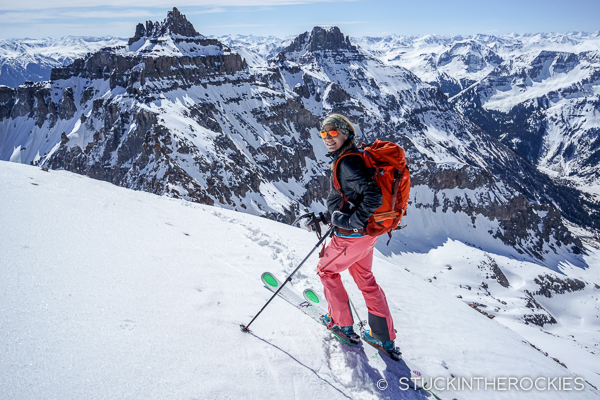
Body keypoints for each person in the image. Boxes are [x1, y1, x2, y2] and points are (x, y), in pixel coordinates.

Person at [315, 113, 401, 360]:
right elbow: (349, 197)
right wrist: (327, 216)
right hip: (367, 236)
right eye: (324, 134)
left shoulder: (347, 162)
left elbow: (372, 195)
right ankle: (384, 337)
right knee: (364, 278)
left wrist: (352, 222)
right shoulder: (354, 157)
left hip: (351, 237)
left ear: (346, 133)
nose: (328, 138)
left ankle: (341, 324)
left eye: (333, 133)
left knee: (326, 271)